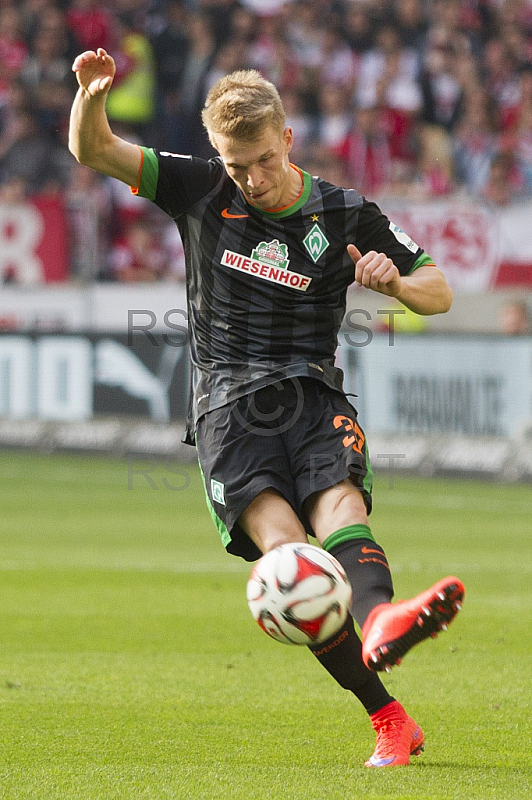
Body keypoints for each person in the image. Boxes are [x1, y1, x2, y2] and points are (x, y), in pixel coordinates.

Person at [69, 48, 465, 768]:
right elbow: (93, 148)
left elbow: (437, 289)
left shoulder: (345, 212)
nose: (247, 178)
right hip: (226, 406)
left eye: (257, 159)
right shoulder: (198, 187)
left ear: (286, 137)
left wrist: (398, 286)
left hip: (313, 391)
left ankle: (384, 619)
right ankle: (390, 717)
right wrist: (92, 95)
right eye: (233, 162)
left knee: (342, 511)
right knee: (290, 564)